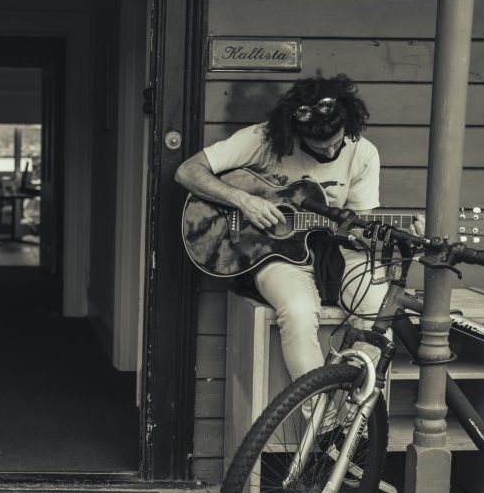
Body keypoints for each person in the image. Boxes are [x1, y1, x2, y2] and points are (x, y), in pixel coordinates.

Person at [176, 74, 419, 382]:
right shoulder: (264, 139)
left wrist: (407, 233)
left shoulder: (363, 152)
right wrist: (243, 201)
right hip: (273, 254)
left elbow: (360, 227)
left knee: (376, 306)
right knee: (299, 312)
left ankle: (356, 416)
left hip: (339, 251)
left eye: (337, 143)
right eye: (318, 147)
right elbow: (188, 171)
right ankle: (321, 422)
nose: (330, 153)